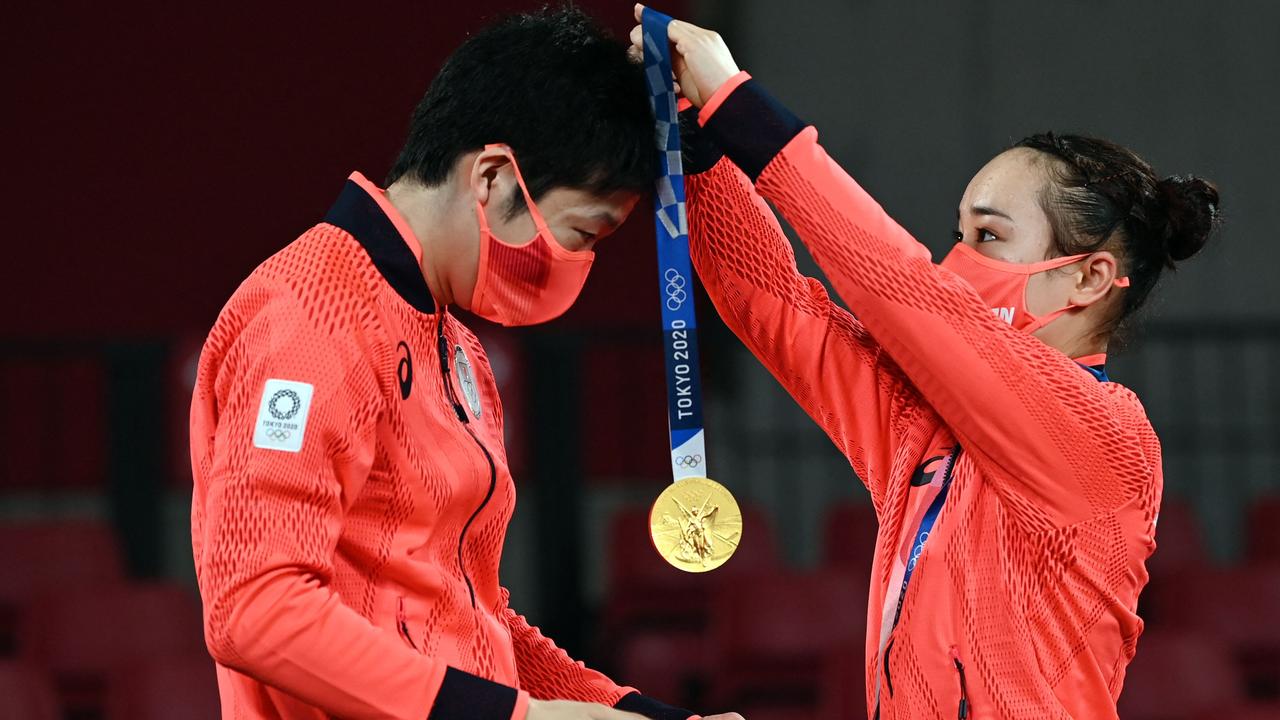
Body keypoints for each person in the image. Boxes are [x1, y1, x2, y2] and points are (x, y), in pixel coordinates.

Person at [631, 4, 1219, 718]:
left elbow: (897, 284)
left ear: (1089, 278)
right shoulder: (921, 420)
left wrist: (739, 105)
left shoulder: (1108, 437)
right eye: (958, 235)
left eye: (990, 237)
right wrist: (707, 158)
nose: (957, 262)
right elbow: (778, 306)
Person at [190, 8, 743, 720]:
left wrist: (640, 715)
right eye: (582, 233)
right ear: (491, 176)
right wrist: (523, 719)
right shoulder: (307, 315)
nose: (582, 264)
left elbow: (474, 615)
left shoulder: (459, 348)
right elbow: (255, 607)